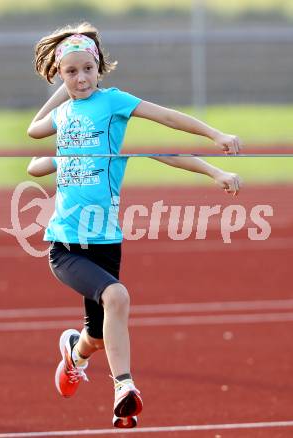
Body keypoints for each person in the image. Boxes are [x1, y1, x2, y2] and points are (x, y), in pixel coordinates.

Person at [27, 22, 242, 429]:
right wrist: (64, 91)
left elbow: (166, 132)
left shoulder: (113, 105)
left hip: (105, 241)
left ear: (100, 68)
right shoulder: (63, 114)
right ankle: (123, 388)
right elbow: (33, 131)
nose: (81, 79)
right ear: (59, 76)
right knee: (118, 297)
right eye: (71, 72)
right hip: (65, 245)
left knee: (95, 334)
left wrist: (215, 153)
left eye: (88, 69)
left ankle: (74, 353)